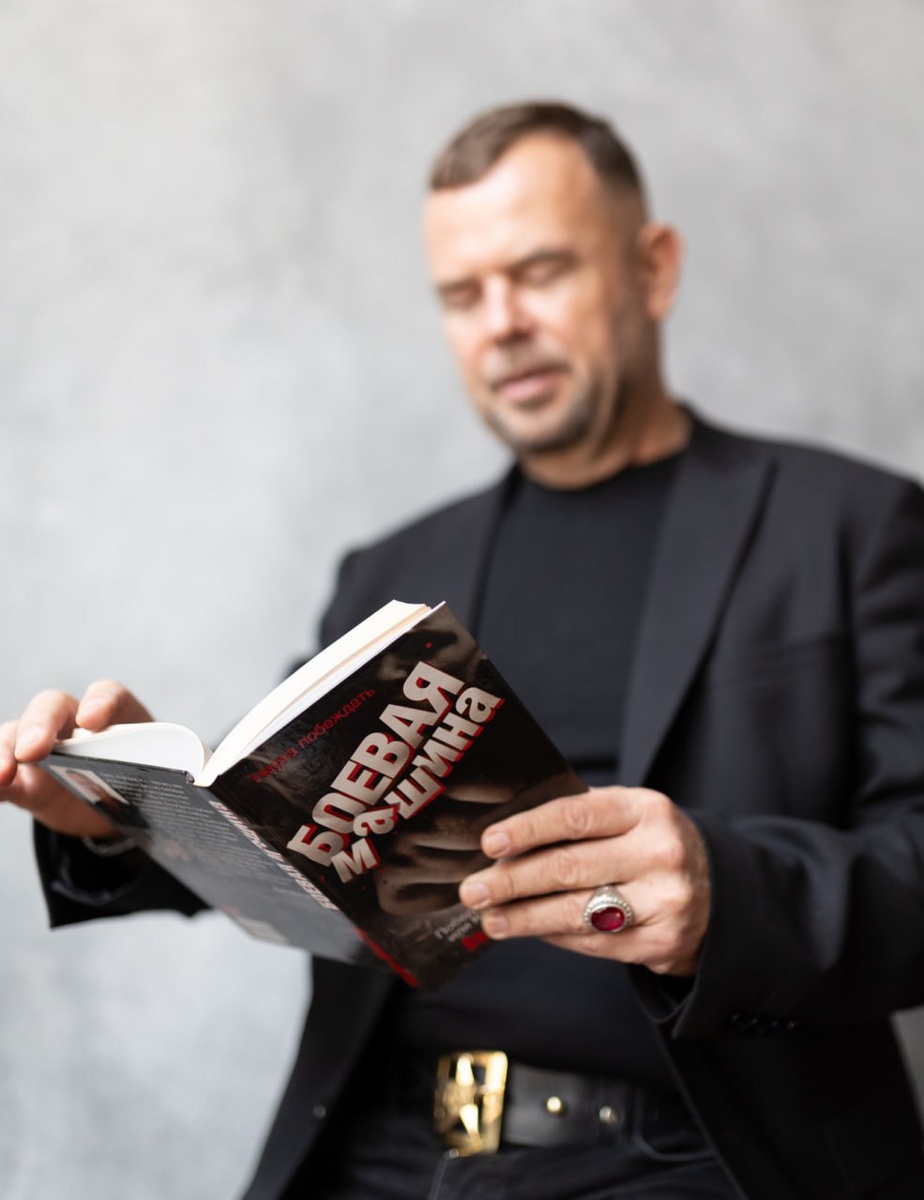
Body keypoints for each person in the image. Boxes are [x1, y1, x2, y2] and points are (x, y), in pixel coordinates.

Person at [3, 100, 924, 1199]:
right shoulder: (387, 570)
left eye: (540, 272)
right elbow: (296, 860)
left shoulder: (852, 528)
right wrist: (127, 816)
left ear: (654, 268)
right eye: (462, 295)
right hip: (382, 1157)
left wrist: (730, 896)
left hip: (695, 1158)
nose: (502, 324)